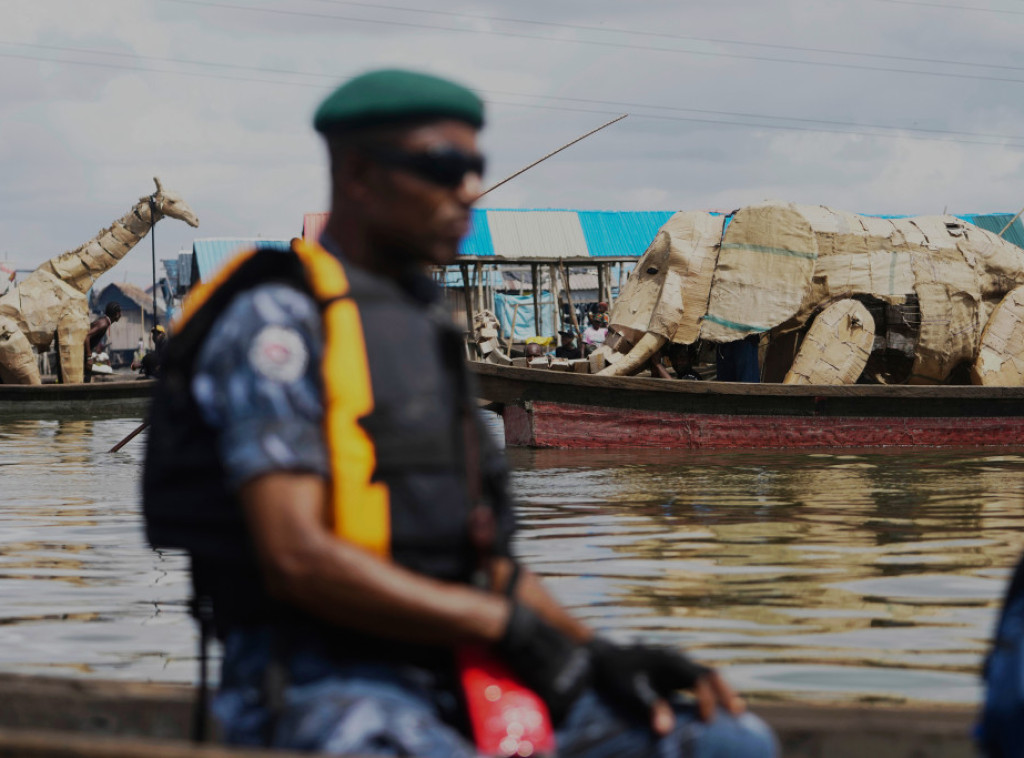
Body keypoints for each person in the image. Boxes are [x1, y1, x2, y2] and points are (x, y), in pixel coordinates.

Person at [142, 69, 776, 758]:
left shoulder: (422, 335)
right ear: (357, 174)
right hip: (321, 683)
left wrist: (596, 654)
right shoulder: (281, 323)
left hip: (454, 663)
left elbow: (487, 563)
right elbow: (297, 556)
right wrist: (501, 626)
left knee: (725, 742)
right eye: (442, 167)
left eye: (474, 168)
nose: (467, 190)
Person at [84, 302, 121, 382]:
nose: (121, 315)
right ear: (117, 314)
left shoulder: (104, 322)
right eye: (120, 312)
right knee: (86, 380)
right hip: (83, 354)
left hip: (83, 354)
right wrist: (89, 357)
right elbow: (87, 336)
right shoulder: (103, 324)